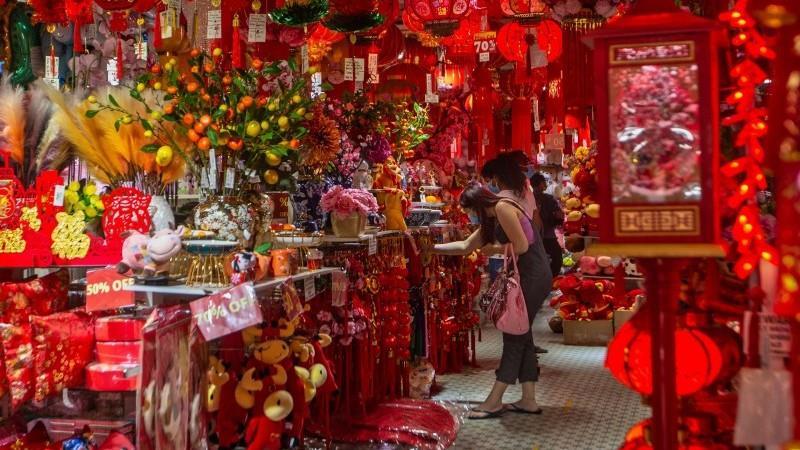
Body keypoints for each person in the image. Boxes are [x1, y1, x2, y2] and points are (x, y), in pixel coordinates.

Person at [434, 183, 553, 419]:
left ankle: (494, 400)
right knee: (522, 334)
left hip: (532, 275)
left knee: (514, 336)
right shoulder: (491, 218)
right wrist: (430, 247)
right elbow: (465, 246)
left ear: (478, 204)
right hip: (526, 275)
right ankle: (528, 399)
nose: (470, 215)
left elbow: (521, 246)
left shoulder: (502, 208)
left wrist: (494, 250)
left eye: (470, 210)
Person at [480, 151, 543, 231]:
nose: (487, 185)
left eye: (487, 181)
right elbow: (537, 221)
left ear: (496, 177)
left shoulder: (499, 200)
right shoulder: (527, 191)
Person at [530, 172, 565, 277]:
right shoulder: (548, 199)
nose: (545, 184)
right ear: (540, 184)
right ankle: (552, 278)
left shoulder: (528, 199)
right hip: (548, 236)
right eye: (544, 182)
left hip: (531, 237)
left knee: (536, 261)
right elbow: (559, 215)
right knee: (556, 259)